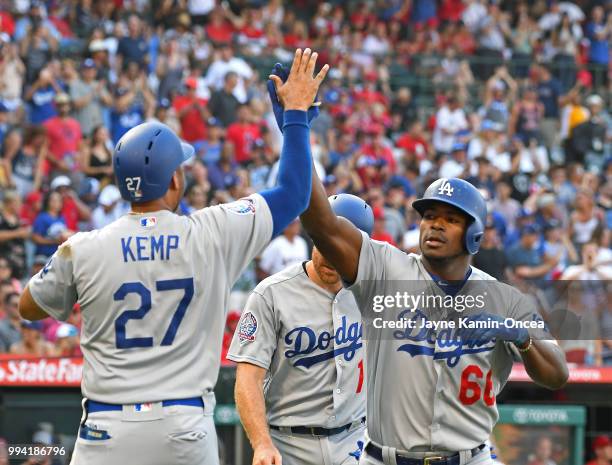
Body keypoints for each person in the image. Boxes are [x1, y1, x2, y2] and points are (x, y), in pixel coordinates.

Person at [18, 47, 329, 465]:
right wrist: (294, 122)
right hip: (183, 427)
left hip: (105, 430)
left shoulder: (84, 247)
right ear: (173, 181)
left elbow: (28, 307)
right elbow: (294, 193)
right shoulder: (213, 230)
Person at [230, 194, 373, 465]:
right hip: (289, 443)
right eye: (325, 244)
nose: (332, 256)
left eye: (342, 248)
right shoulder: (271, 294)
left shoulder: (376, 293)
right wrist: (262, 443)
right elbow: (248, 377)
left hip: (354, 440)